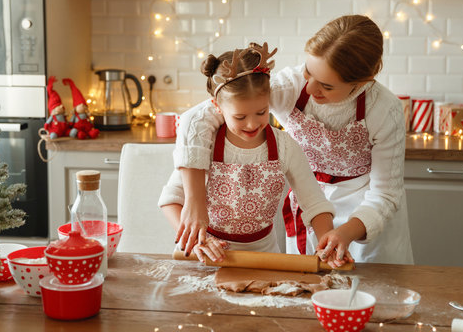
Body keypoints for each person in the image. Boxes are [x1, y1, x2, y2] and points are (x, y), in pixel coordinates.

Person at [173, 15, 414, 265]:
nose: (309, 89)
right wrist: (194, 201)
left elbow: (385, 194)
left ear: (363, 81)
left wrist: (345, 233)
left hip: (366, 214)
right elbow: (200, 115)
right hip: (312, 210)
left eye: (326, 86)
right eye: (308, 72)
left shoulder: (385, 109)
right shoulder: (290, 86)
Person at [158, 43, 342, 265]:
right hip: (206, 256)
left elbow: (315, 204)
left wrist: (326, 241)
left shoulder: (284, 146)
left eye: (261, 112)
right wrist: (199, 239)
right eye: (240, 117)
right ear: (217, 106)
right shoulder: (204, 144)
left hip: (264, 257)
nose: (252, 123)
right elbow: (170, 201)